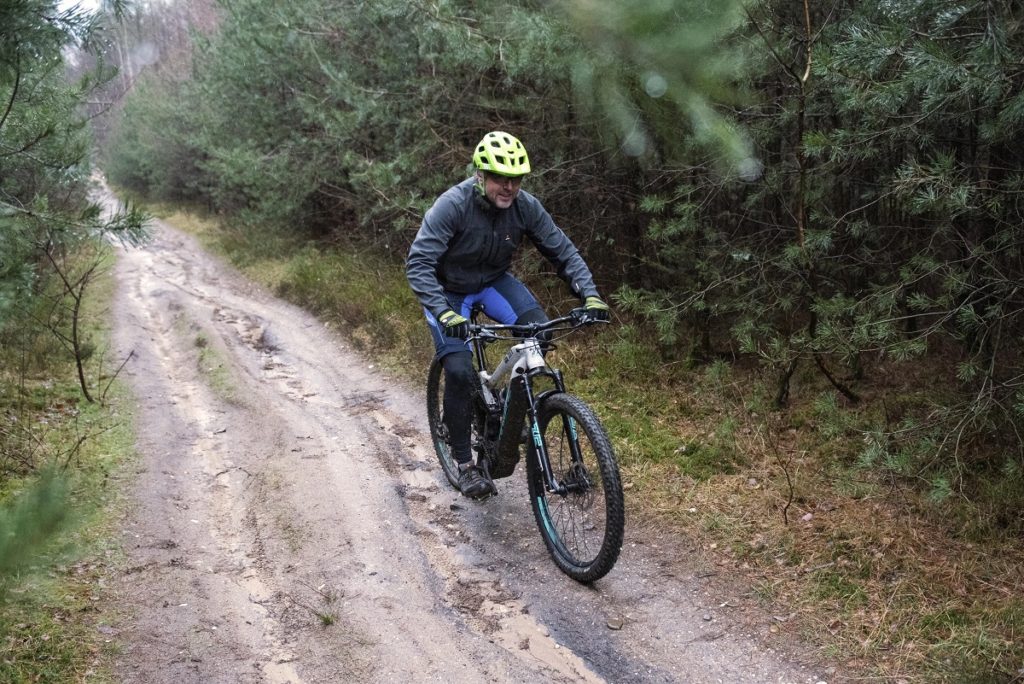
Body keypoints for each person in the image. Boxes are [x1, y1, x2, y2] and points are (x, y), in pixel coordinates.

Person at [406, 130, 610, 499]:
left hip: (493, 282)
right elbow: (419, 264)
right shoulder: (452, 206)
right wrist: (441, 310)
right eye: (501, 177)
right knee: (458, 369)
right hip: (448, 291)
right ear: (480, 175)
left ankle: (509, 411)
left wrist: (591, 295)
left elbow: (563, 252)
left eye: (516, 179)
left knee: (539, 333)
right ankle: (466, 464)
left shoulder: (525, 206)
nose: (509, 187)